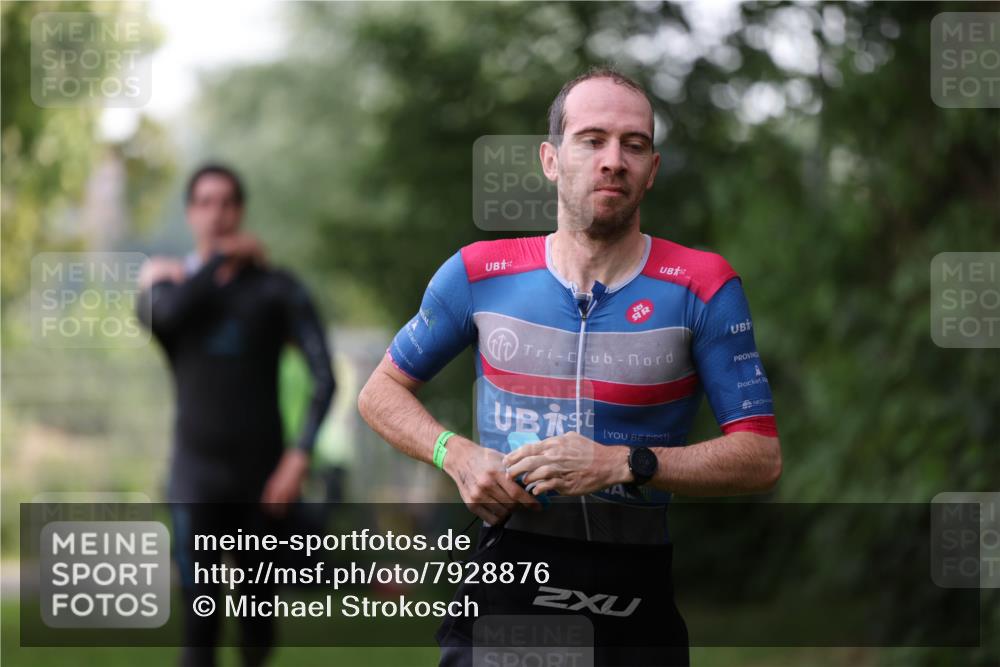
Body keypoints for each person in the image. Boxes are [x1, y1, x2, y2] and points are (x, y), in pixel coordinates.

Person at [358, 67, 782, 666]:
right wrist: (454, 453)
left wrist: (622, 463)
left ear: (652, 170)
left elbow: (760, 457)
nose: (614, 159)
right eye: (592, 139)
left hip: (633, 591)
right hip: (510, 567)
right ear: (551, 159)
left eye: (634, 145)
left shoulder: (701, 286)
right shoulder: (480, 274)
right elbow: (379, 392)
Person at [137, 164, 336, 667]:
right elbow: (171, 315)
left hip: (262, 481)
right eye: (204, 202)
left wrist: (298, 458)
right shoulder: (168, 289)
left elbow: (324, 376)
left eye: (227, 202)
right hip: (195, 480)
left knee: (256, 627)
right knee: (198, 629)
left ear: (241, 210)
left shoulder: (276, 290)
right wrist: (219, 259)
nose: (217, 213)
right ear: (189, 213)